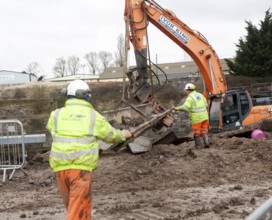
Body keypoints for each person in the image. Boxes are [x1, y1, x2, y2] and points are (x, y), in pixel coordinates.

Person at [46, 79, 131, 220]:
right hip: (80, 170)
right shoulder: (93, 116)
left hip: (60, 169)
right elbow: (111, 135)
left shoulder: (55, 115)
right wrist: (123, 135)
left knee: (72, 208)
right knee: (78, 213)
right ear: (85, 95)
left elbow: (52, 129)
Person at [174, 83, 209, 149]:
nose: (185, 91)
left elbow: (185, 107)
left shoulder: (190, 98)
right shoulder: (200, 95)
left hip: (197, 118)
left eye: (186, 90)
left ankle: (198, 146)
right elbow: (206, 104)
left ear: (188, 90)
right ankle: (206, 142)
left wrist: (177, 108)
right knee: (204, 130)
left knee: (197, 132)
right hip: (205, 117)